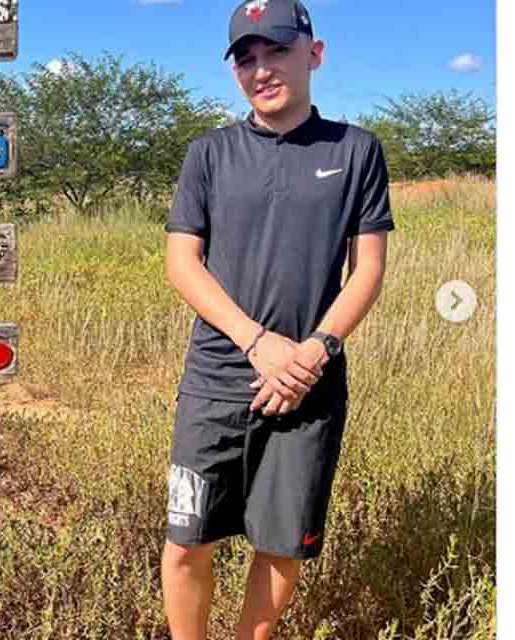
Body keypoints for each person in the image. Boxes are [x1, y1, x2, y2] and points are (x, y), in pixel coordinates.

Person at [160, 0, 396, 638]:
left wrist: (313, 352)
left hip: (309, 386)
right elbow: (183, 263)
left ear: (314, 54)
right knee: (187, 542)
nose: (261, 69)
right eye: (246, 58)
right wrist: (258, 343)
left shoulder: (356, 151)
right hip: (215, 381)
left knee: (281, 545)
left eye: (277, 51)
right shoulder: (209, 153)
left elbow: (367, 269)